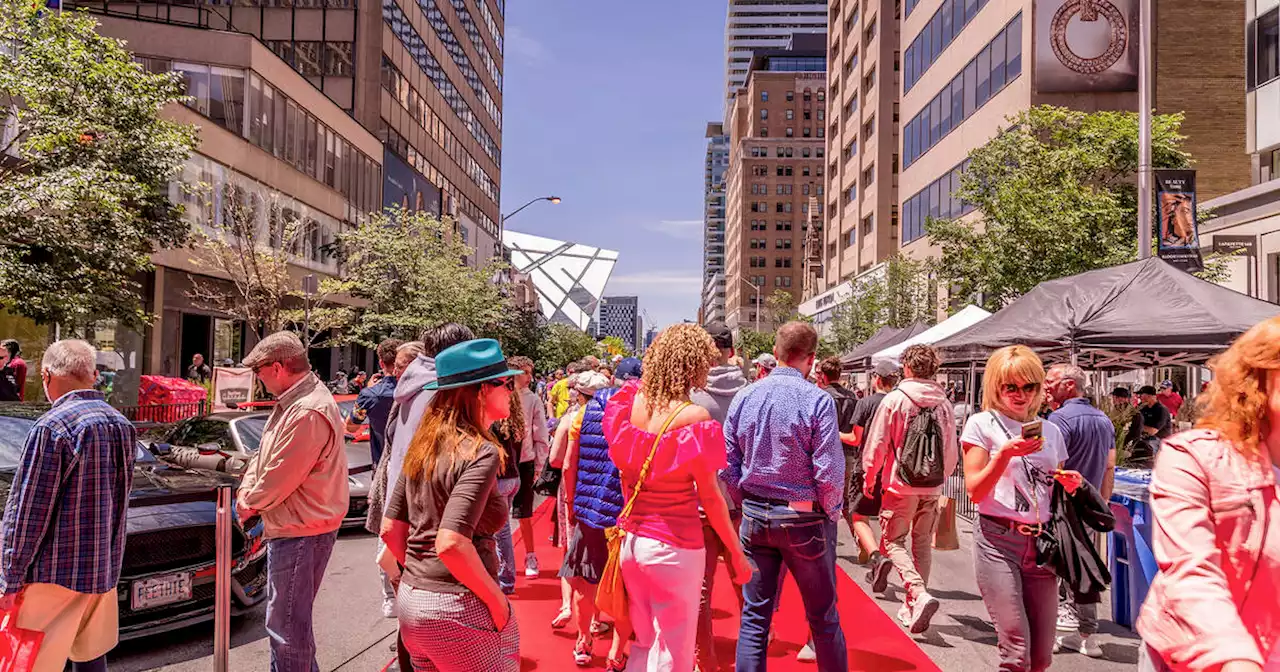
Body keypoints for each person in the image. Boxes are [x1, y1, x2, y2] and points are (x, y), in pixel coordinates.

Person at [1136, 316, 1280, 672]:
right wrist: (1235, 658)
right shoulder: (1195, 455)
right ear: (1256, 381)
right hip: (1197, 653)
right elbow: (1192, 568)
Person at [602, 325, 749, 672]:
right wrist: (738, 554)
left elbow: (624, 476)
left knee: (644, 641)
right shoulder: (693, 418)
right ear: (693, 364)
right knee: (674, 653)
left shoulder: (629, 405)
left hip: (633, 542)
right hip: (675, 545)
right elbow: (711, 498)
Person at [378, 339, 523, 671]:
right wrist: (496, 601)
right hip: (459, 605)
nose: (511, 392)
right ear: (481, 391)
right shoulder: (480, 451)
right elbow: (451, 543)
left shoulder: (423, 446)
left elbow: (390, 530)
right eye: (505, 383)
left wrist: (421, 577)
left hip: (414, 601)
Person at [0, 340, 136, 672]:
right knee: (90, 660)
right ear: (92, 375)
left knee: (28, 662)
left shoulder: (53, 426)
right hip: (101, 571)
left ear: (46, 375)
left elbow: (27, 514)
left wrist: (8, 580)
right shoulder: (122, 425)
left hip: (52, 575)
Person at [723, 321, 847, 672]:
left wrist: (742, 497)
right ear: (811, 359)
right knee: (823, 617)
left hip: (757, 513)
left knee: (755, 616)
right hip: (804, 516)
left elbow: (728, 462)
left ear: (776, 353)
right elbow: (828, 469)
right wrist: (831, 509)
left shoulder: (746, 396)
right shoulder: (817, 400)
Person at [959, 345, 1084, 672]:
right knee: (1016, 653)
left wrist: (1069, 485)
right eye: (1010, 386)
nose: (1020, 394)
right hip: (998, 540)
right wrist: (1004, 455)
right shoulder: (981, 424)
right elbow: (974, 490)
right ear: (996, 386)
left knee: (1041, 658)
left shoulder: (1053, 431)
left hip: (1043, 544)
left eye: (1028, 386)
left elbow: (1049, 489)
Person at [237, 331, 350, 670]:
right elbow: (265, 459)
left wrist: (249, 501)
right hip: (298, 525)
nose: (257, 377)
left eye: (258, 369)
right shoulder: (297, 401)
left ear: (278, 366)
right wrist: (249, 492)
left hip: (301, 529)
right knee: (287, 626)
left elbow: (281, 473)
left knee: (287, 628)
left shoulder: (306, 409)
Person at [862, 345, 958, 634]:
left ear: (906, 368)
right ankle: (915, 602)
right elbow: (951, 449)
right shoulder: (944, 403)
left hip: (900, 484)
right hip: (932, 485)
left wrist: (870, 476)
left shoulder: (895, 400)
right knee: (921, 543)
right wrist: (943, 476)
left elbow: (878, 442)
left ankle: (917, 592)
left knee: (893, 542)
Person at [561, 359, 643, 670]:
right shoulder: (642, 412)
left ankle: (584, 643)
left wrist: (571, 505)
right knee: (625, 587)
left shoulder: (586, 411)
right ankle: (618, 653)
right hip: (624, 514)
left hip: (588, 509)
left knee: (585, 581)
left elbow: (569, 463)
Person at [689, 322, 751, 672]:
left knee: (701, 586)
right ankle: (756, 638)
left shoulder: (691, 396)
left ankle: (704, 658)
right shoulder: (750, 393)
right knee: (744, 574)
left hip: (699, 499)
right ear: (731, 350)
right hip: (741, 500)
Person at [1045, 363, 1116, 658]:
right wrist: (1102, 503)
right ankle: (1087, 635)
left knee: (1051, 569)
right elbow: (1110, 465)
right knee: (1084, 567)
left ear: (1069, 385)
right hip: (1089, 504)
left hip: (1061, 506)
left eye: (1051, 381)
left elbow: (1053, 467)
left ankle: (1054, 631)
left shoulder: (1059, 419)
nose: (1046, 386)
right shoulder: (1103, 419)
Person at [345, 338, 403, 617]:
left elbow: (351, 425)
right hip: (413, 470)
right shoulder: (417, 392)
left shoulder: (371, 395)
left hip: (384, 468)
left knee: (386, 533)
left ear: (381, 362)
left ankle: (390, 596)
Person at [549, 371, 609, 628]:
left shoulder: (571, 418)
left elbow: (556, 460)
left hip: (573, 489)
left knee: (570, 549)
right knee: (597, 555)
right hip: (604, 493)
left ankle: (566, 605)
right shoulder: (616, 417)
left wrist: (569, 500)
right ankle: (595, 618)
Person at [815, 356, 880, 565]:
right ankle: (862, 541)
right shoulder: (852, 397)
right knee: (849, 502)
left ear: (823, 376)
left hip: (828, 455)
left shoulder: (822, 397)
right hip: (851, 455)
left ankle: (823, 543)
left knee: (823, 501)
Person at [846, 359, 900, 579]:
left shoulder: (866, 403)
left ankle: (876, 556)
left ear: (876, 378)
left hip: (867, 466)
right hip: (893, 470)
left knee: (858, 516)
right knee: (887, 518)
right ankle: (882, 557)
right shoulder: (899, 403)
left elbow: (855, 438)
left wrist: (834, 434)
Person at [508, 356, 550, 581]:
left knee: (524, 513)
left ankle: (530, 555)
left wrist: (539, 465)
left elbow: (540, 433)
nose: (529, 377)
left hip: (524, 460)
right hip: (501, 460)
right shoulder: (499, 393)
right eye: (525, 372)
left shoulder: (532, 399)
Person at [492, 369, 526, 596]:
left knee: (500, 533)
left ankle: (506, 580)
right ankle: (505, 578)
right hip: (514, 477)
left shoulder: (494, 425)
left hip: (501, 478)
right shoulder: (515, 422)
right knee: (501, 531)